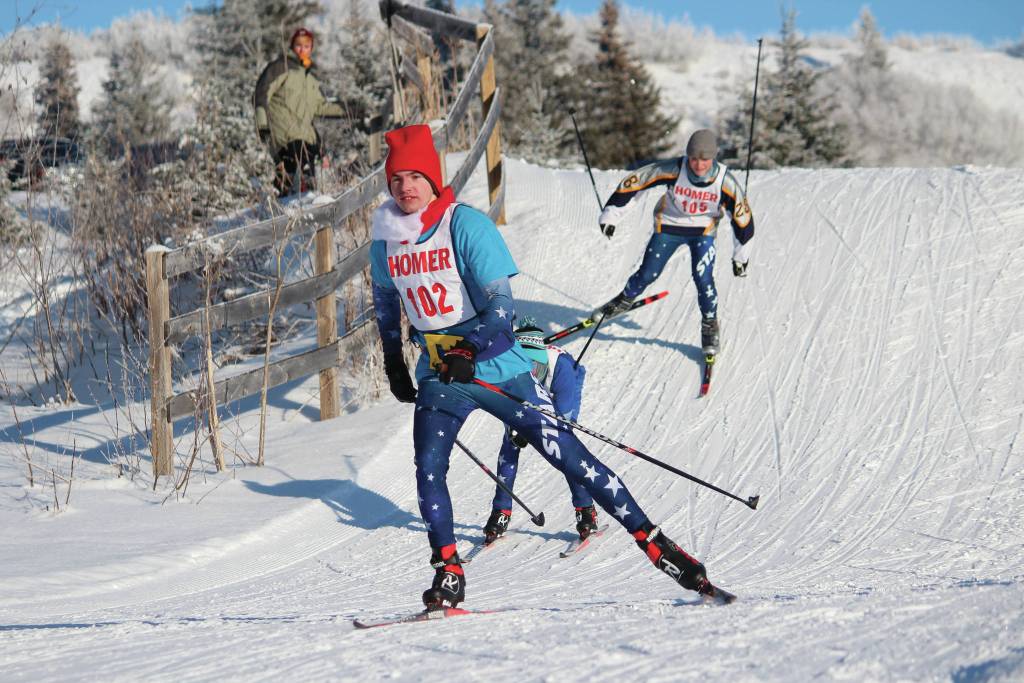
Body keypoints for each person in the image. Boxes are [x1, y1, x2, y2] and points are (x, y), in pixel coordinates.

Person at [370, 123, 727, 611]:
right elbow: (386, 300)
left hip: (497, 368)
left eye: (415, 176)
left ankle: (654, 541)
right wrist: (393, 357)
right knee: (428, 469)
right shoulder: (385, 239)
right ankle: (449, 570)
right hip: (441, 378)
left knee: (568, 455)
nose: (406, 187)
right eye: (396, 180)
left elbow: (501, 311)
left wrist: (468, 350)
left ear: (433, 179)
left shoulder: (465, 225)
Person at [594, 129, 755, 355]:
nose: (699, 165)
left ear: (714, 158)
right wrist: (612, 215)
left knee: (703, 278)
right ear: (688, 155)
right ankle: (625, 299)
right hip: (668, 226)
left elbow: (743, 220)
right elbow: (637, 182)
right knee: (648, 273)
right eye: (694, 158)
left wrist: (741, 257)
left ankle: (710, 324)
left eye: (705, 159)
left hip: (703, 231)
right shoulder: (673, 169)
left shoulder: (724, 181)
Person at [483, 319, 599, 545]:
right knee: (510, 446)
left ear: (542, 361)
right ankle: (501, 511)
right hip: (523, 394)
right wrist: (517, 431)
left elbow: (561, 418)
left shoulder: (561, 366)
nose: (532, 374)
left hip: (562, 387)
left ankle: (586, 509)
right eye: (526, 369)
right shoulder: (511, 371)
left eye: (535, 367)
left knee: (563, 443)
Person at [253, 28, 343, 196]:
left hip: (305, 136)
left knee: (307, 185)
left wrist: (348, 109)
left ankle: (292, 210)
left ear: (312, 48)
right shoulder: (280, 66)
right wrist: (262, 126)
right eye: (299, 45)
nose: (303, 49)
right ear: (292, 46)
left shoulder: (311, 78)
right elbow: (261, 93)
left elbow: (321, 106)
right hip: (284, 134)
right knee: (294, 178)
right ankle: (285, 210)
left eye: (307, 46)